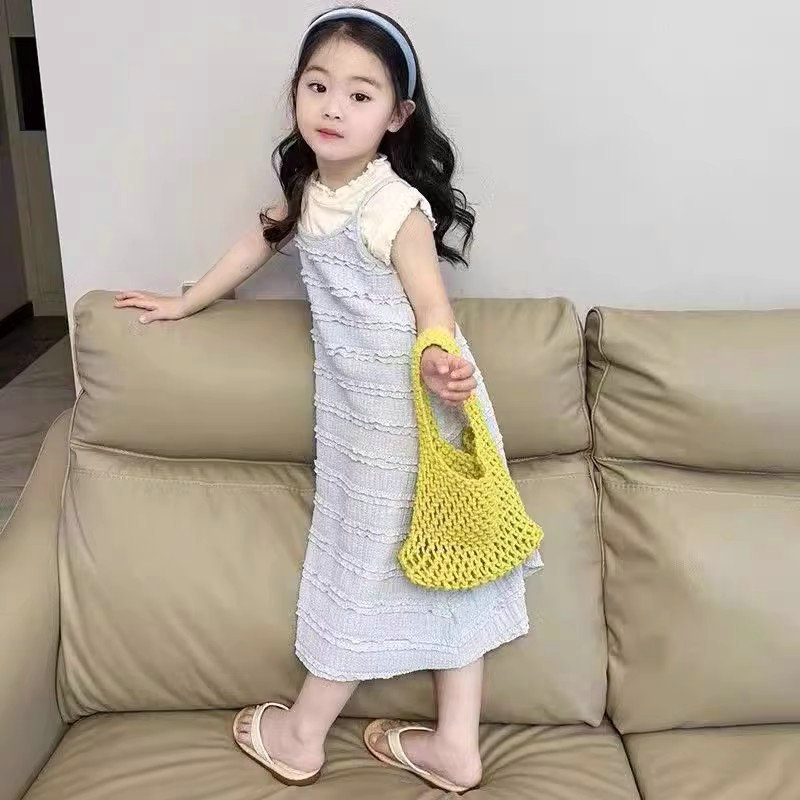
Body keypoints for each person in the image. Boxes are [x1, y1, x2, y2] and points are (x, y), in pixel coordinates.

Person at [113, 5, 542, 792]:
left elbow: (433, 309)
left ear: (396, 117)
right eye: (318, 87)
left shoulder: (394, 207)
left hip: (418, 409)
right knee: (433, 565)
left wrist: (440, 363)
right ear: (297, 95)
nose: (333, 107)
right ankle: (453, 748)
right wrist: (186, 301)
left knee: (387, 565)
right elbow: (259, 240)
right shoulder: (311, 189)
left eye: (359, 94)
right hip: (359, 416)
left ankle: (302, 735)